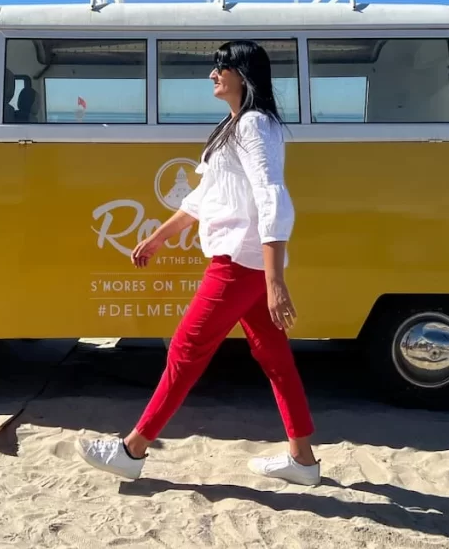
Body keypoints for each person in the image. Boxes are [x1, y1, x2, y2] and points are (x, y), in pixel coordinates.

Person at [76, 40, 319, 486]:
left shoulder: (253, 125)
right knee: (274, 357)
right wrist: (157, 238)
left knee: (186, 350)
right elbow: (203, 199)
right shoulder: (234, 125)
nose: (212, 74)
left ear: (242, 73)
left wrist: (275, 280)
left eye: (220, 66)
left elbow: (272, 197)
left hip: (239, 263)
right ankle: (302, 460)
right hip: (245, 261)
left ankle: (132, 449)